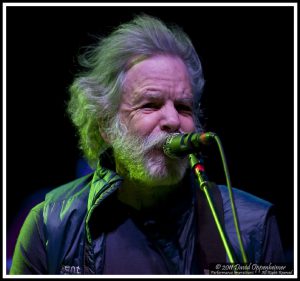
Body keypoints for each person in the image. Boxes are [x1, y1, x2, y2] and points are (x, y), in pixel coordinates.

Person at [10, 14, 285, 275]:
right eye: (150, 105)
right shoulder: (50, 224)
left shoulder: (254, 226)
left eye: (184, 107)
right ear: (106, 125)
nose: (173, 120)